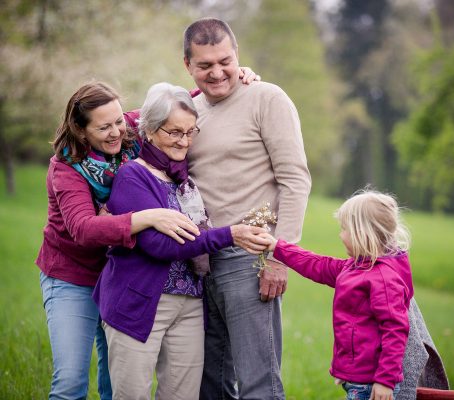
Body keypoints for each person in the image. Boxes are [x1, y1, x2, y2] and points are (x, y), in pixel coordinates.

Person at [92, 82, 270, 400]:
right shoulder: (133, 176)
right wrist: (232, 234)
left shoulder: (184, 178)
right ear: (149, 129)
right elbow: (161, 245)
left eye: (190, 132)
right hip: (139, 301)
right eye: (174, 132)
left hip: (189, 303)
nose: (184, 141)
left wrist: (240, 77)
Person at [36, 81, 202, 400]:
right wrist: (150, 217)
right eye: (104, 127)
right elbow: (83, 228)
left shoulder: (127, 129)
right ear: (81, 130)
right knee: (71, 381)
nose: (116, 132)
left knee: (115, 382)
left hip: (119, 276)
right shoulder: (65, 167)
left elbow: (172, 105)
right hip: (75, 276)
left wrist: (233, 77)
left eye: (118, 122)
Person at [183, 18, 312, 399]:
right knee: (209, 384)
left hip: (250, 259)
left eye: (225, 61)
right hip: (199, 260)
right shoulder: (187, 110)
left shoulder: (267, 98)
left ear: (237, 55)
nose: (217, 72)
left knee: (258, 383)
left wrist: (280, 257)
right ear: (187, 64)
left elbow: (295, 180)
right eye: (204, 65)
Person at [260, 189, 414, 400]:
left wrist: (385, 381)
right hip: (359, 380)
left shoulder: (384, 278)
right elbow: (318, 265)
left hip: (371, 385)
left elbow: (395, 330)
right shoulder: (357, 268)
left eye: (344, 229)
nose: (340, 235)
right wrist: (278, 247)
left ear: (363, 233)